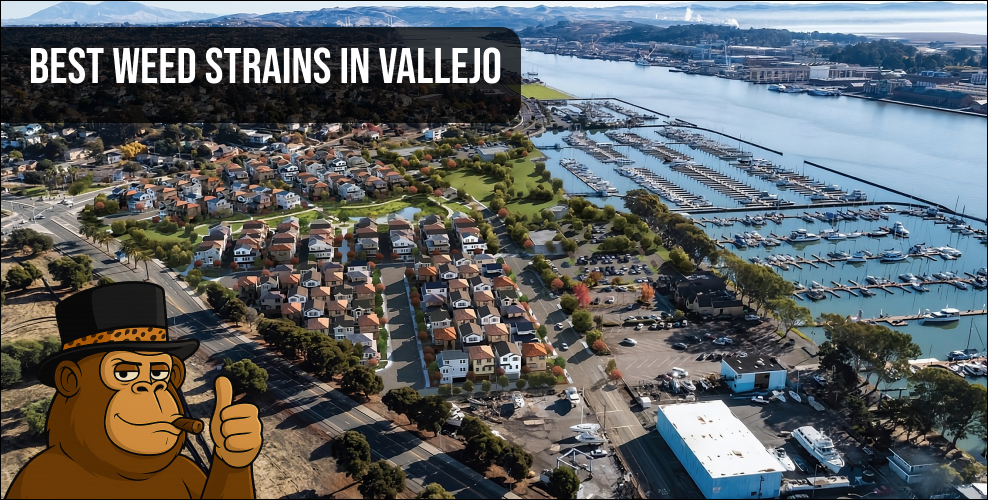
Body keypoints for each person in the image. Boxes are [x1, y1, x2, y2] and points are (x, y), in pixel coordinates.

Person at [6, 282, 263, 499]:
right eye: (124, 373)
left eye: (158, 373)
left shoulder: (182, 473)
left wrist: (232, 465)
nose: (150, 389)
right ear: (72, 380)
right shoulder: (47, 482)